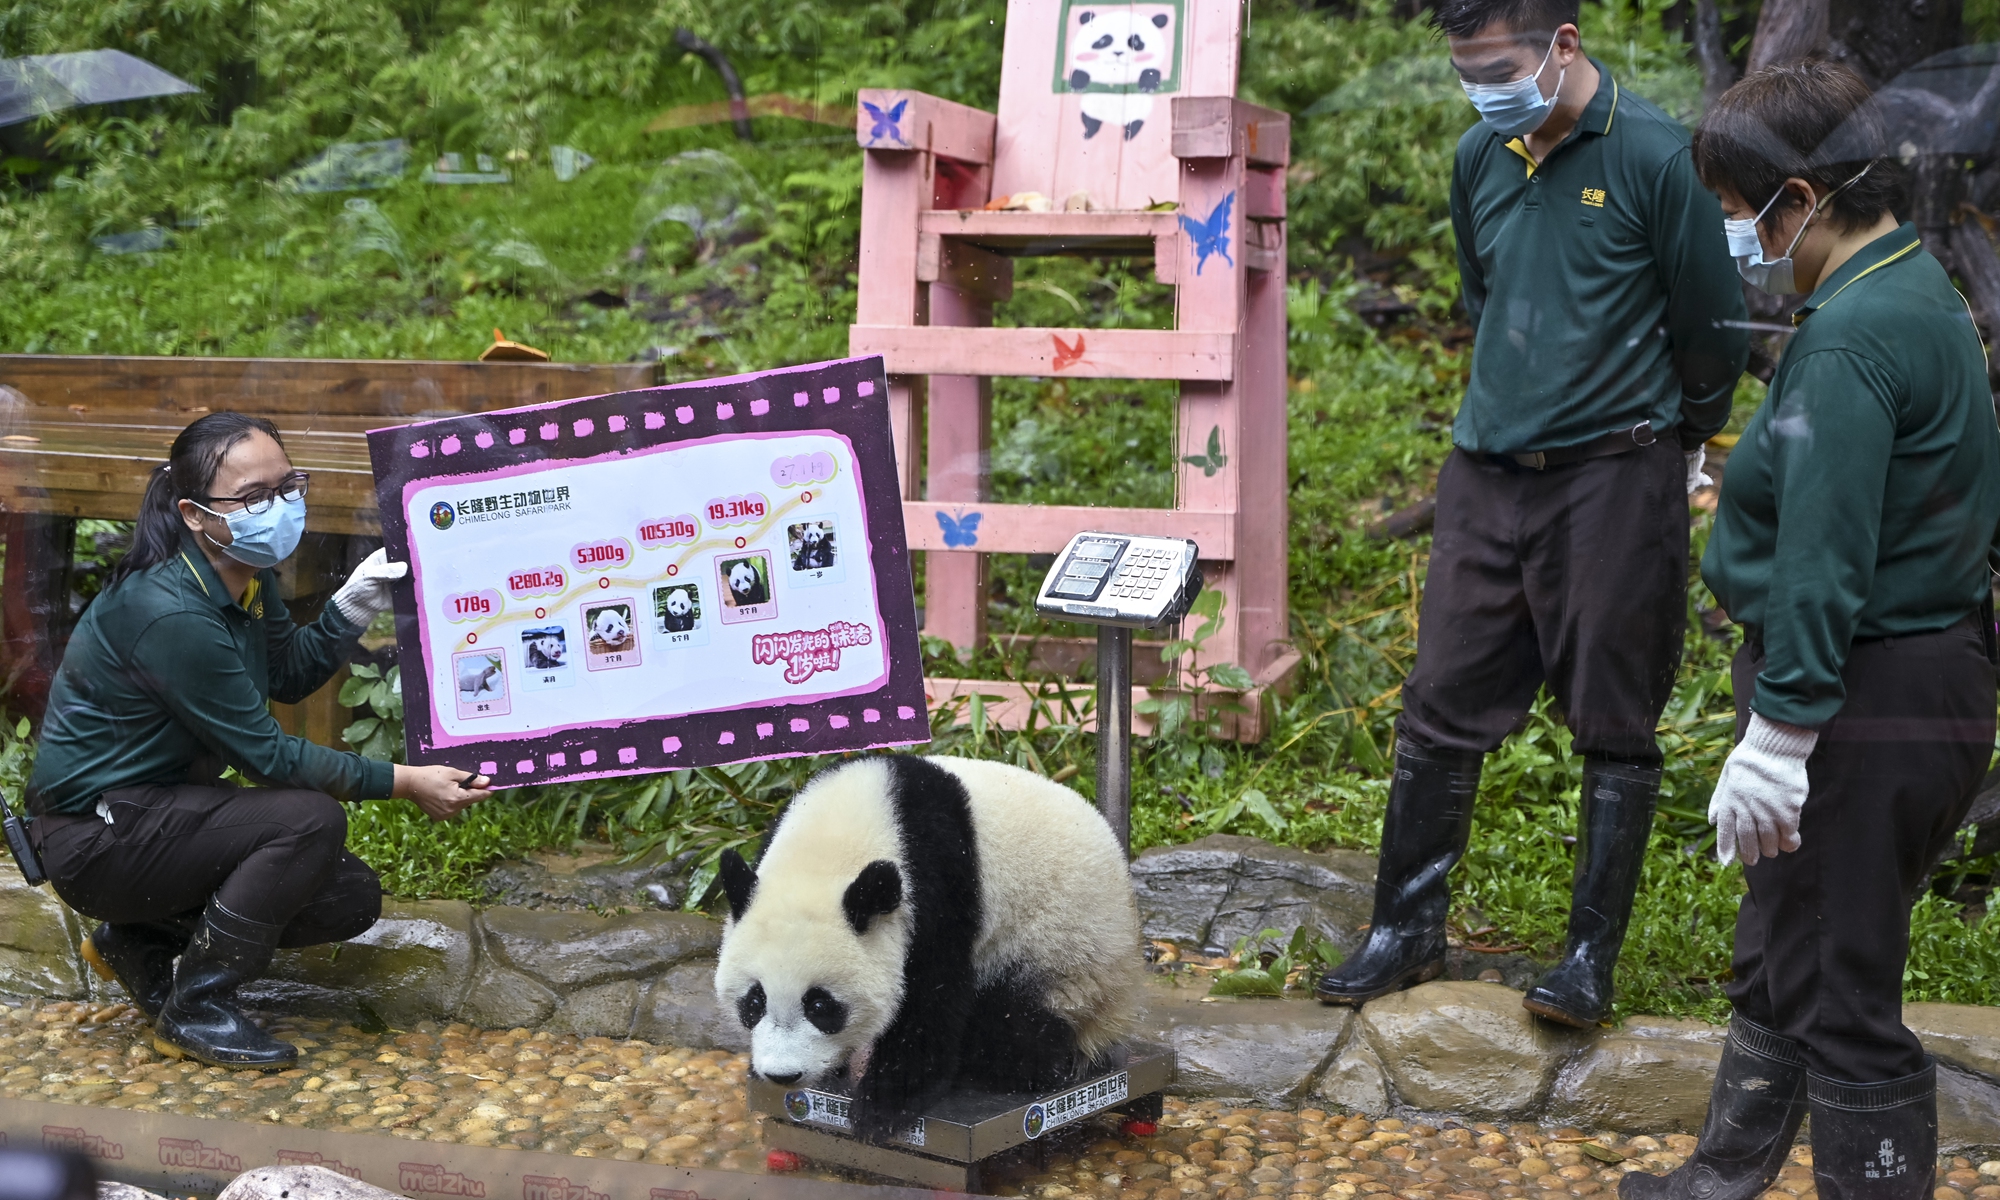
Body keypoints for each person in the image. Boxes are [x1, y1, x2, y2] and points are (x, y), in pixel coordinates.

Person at [1313, 0, 1749, 1026]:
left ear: (1562, 46)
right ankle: (1404, 928)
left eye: (1497, 66)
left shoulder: (1652, 154)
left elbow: (1709, 326)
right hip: (1485, 466)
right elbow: (1482, 290)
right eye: (1466, 70)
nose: (1483, 89)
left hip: (1613, 471)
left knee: (1611, 710)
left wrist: (1673, 434)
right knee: (1439, 696)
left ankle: (1586, 957)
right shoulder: (1480, 155)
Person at [1622, 62, 2000, 1200]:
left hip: (1857, 697)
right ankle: (1720, 1179)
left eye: (1738, 212)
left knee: (1840, 985)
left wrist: (1780, 735)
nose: (1734, 235)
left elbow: (1825, 557)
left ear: (1795, 200)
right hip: (1913, 682)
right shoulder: (1913, 289)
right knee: (1786, 946)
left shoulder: (1844, 340)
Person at [22, 412, 492, 1070]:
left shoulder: (246, 574)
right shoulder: (169, 611)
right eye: (254, 498)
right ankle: (196, 1010)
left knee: (345, 895)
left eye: (288, 485)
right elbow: (269, 757)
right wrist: (406, 781)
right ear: (193, 513)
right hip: (92, 838)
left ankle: (139, 943)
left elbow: (289, 675)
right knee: (307, 821)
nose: (280, 507)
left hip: (153, 814)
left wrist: (350, 607)